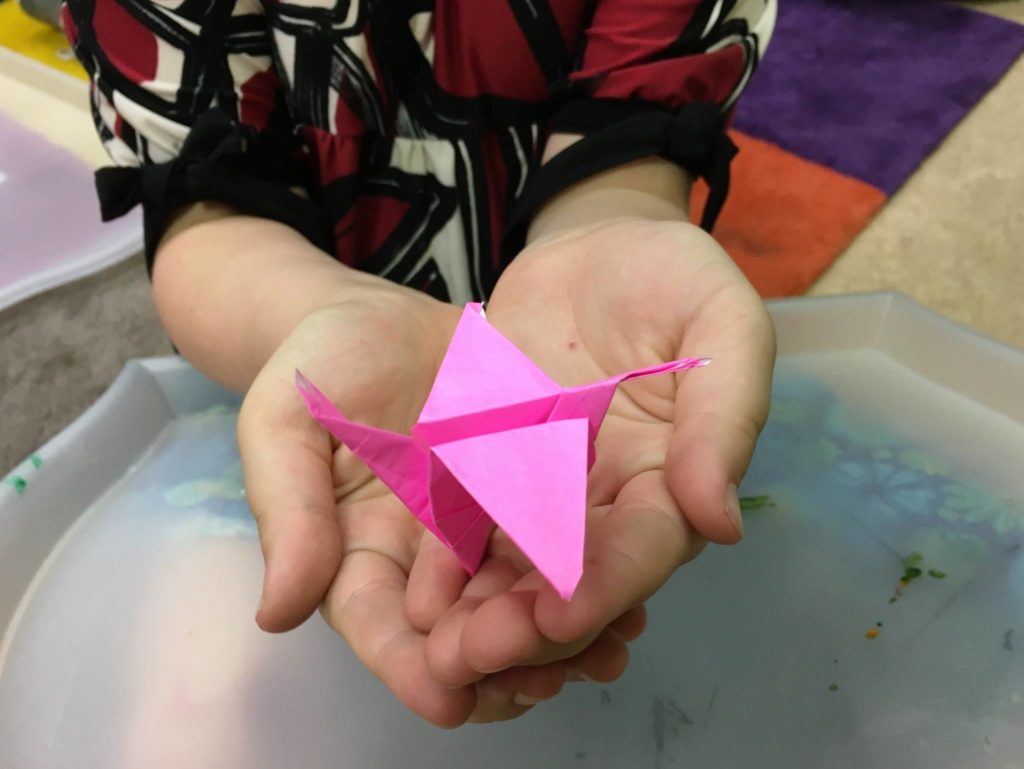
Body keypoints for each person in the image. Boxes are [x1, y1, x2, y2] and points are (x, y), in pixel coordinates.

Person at [64, 0, 778, 727]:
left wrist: (616, 224)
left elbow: (629, 131)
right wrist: (317, 318)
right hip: (313, 339)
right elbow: (203, 205)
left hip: (574, 355)